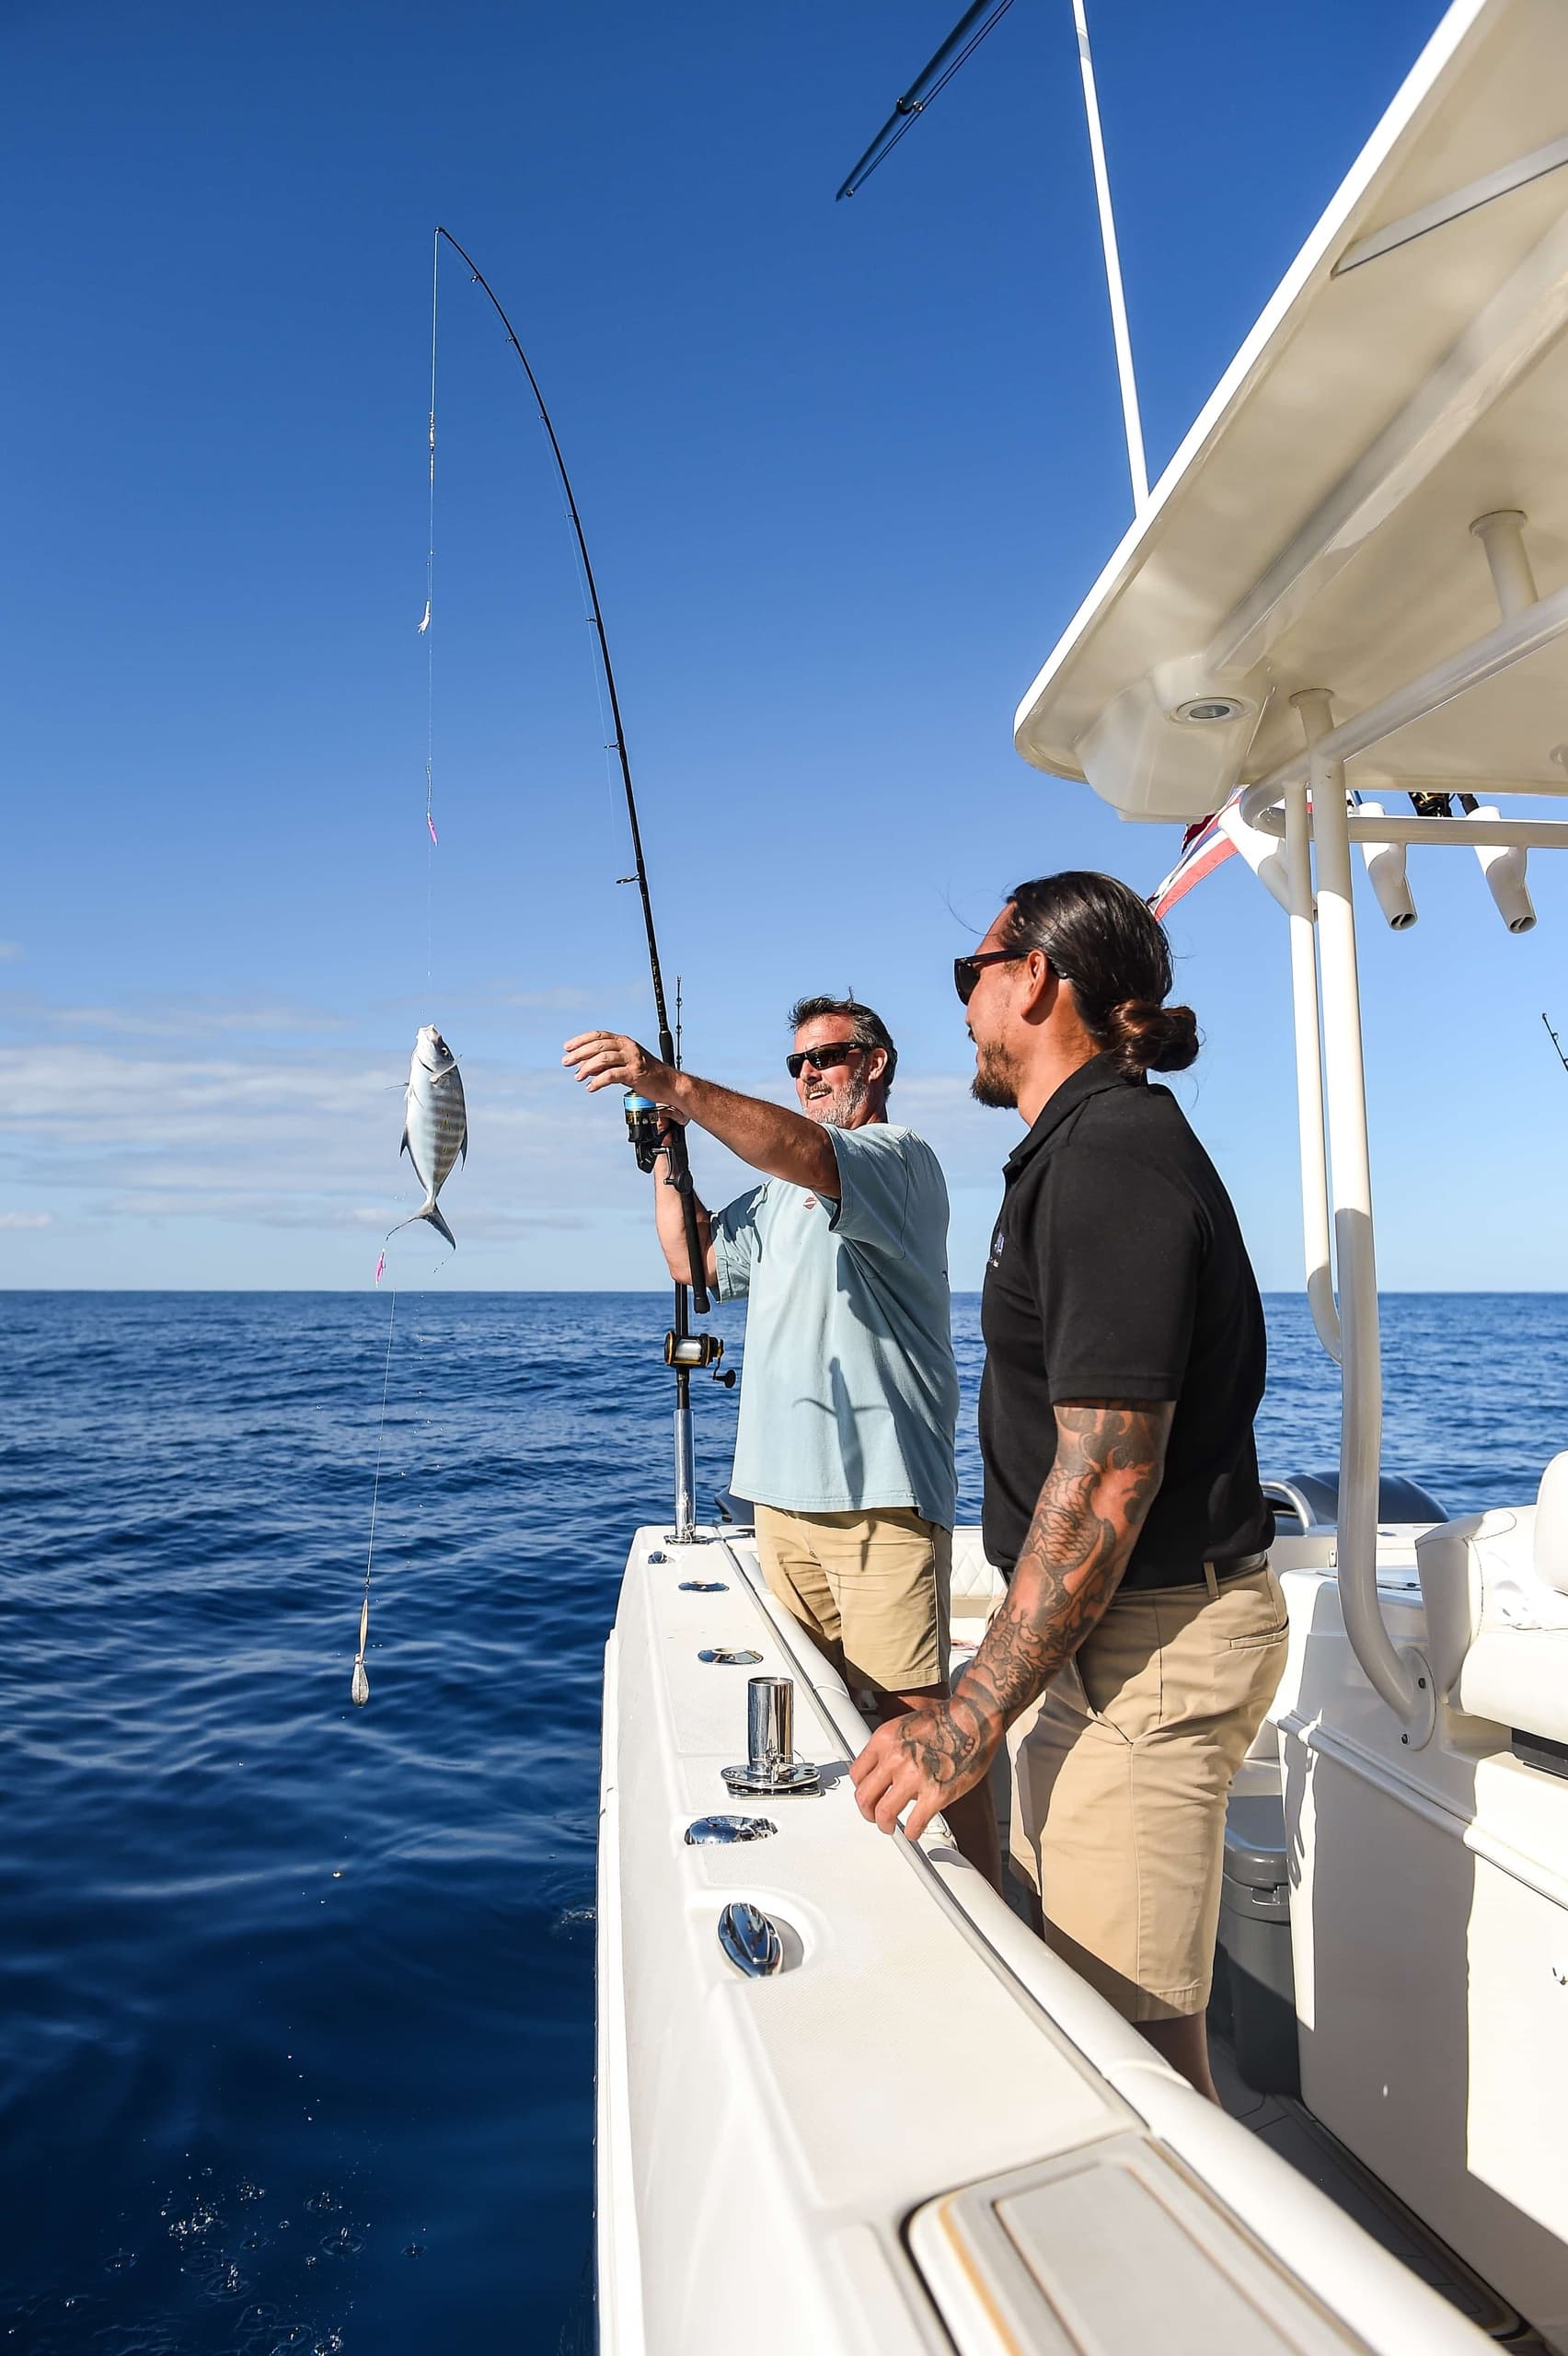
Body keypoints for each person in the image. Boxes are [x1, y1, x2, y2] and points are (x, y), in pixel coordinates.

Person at [850, 872, 1284, 2098]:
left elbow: (1107, 1477)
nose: (964, 1003)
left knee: (1134, 2062)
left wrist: (964, 1720)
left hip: (1150, 1648)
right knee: (1102, 2023)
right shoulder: (1082, 1149)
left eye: (972, 972)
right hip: (1110, 1642)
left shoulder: (1109, 1158)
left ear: (1035, 976)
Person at [563, 995, 1001, 1888]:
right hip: (778, 1501)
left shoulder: (896, 1158)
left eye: (827, 1056)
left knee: (916, 1720)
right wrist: (668, 1149)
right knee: (830, 1714)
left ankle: (990, 1905)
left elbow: (805, 1150)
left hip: (878, 1497)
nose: (809, 1075)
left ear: (875, 1062)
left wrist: (672, 1084)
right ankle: (880, 1884)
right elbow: (692, 1259)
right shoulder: (776, 1197)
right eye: (798, 1063)